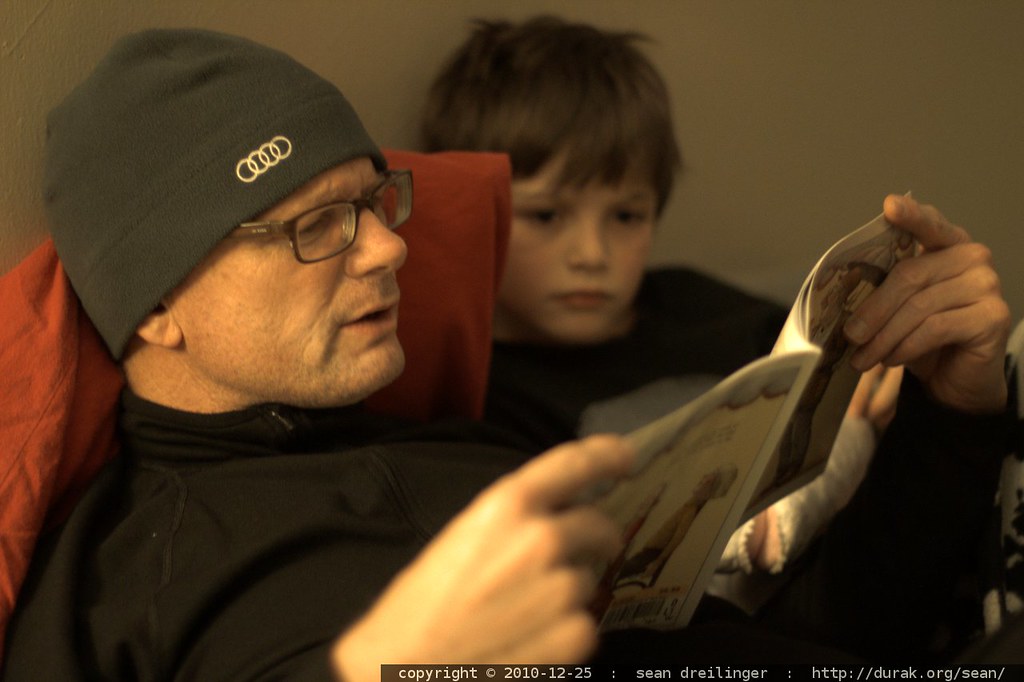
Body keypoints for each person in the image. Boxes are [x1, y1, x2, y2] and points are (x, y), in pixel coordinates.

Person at [0, 27, 1012, 680]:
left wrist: (954, 414)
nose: (390, 249)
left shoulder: (469, 446)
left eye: (375, 203)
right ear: (159, 305)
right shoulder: (116, 581)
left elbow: (823, 640)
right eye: (316, 227)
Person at [419, 15, 899, 584]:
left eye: (626, 216)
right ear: (477, 213)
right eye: (546, 215)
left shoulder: (703, 308)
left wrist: (870, 384)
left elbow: (845, 381)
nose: (591, 254)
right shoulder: (483, 398)